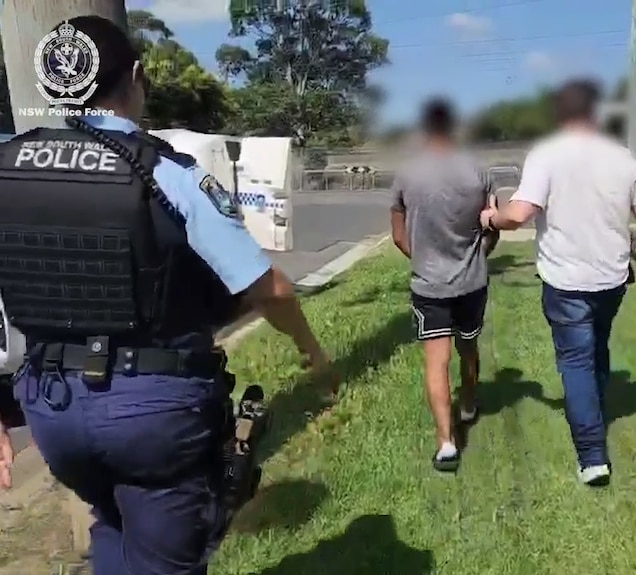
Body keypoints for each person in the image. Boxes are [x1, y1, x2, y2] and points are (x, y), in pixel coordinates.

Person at [0, 15, 331, 574]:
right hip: (152, 409)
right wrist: (311, 351)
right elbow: (265, 287)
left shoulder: (9, 167)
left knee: (112, 524)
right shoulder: (165, 172)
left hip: (52, 409)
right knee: (166, 553)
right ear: (135, 76)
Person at [479, 79, 636, 486]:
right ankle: (594, 410)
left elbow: (518, 214)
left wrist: (490, 218)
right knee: (595, 347)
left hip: (566, 279)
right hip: (611, 278)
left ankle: (591, 455)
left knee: (575, 361)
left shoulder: (546, 156)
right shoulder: (624, 159)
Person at [390, 97, 498, 472]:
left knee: (437, 362)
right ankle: (468, 404)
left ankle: (446, 443)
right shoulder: (479, 172)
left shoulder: (406, 174)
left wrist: (421, 260)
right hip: (472, 281)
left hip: (428, 284)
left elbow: (398, 235)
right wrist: (478, 255)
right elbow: (492, 227)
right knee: (469, 349)